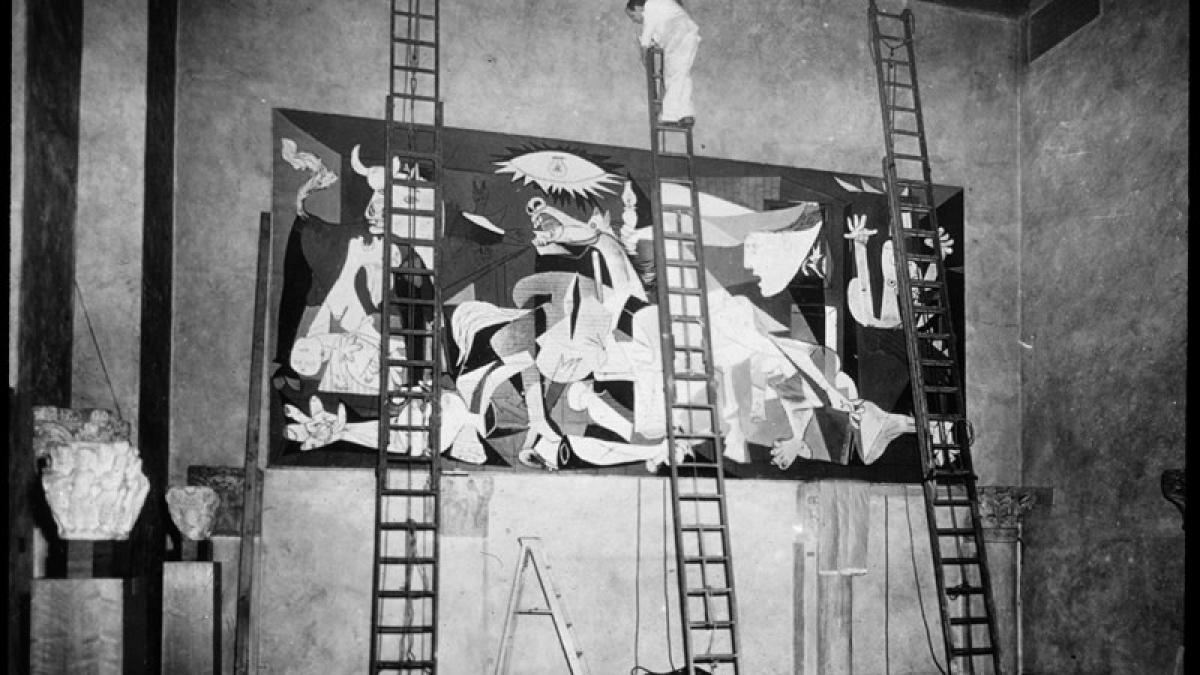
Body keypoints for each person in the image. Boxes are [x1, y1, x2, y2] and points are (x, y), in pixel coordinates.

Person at [625, 0, 700, 125]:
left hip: (678, 36)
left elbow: (648, 31)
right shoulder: (661, 10)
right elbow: (658, 34)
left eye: (633, 16)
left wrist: (643, 50)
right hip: (688, 36)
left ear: (638, 8)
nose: (634, 20)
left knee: (672, 76)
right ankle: (686, 113)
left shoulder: (650, 5)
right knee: (682, 76)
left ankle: (670, 115)